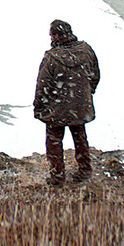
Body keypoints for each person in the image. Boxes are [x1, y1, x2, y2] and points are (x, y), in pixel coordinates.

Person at [33, 19, 100, 186]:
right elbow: (95, 74)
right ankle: (85, 171)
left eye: (51, 35)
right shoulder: (86, 50)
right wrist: (86, 93)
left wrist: (39, 106)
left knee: (54, 140)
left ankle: (57, 177)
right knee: (80, 136)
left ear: (55, 35)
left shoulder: (52, 57)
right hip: (80, 105)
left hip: (58, 108)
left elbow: (43, 84)